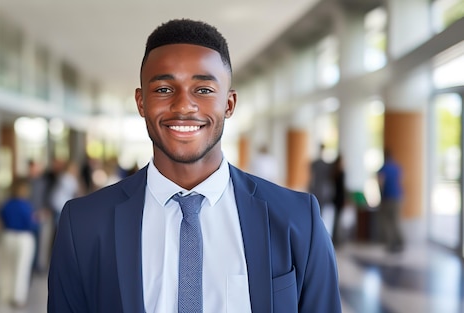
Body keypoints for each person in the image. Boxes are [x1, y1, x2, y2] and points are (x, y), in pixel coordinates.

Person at [48, 19, 341, 312]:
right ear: (141, 102)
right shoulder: (83, 225)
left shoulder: (298, 219)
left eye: (203, 90)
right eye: (164, 89)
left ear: (229, 104)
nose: (183, 106)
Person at [0, 177, 37, 308]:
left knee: (8, 267)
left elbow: (1, 219)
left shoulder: (6, 204)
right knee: (22, 268)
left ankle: (7, 294)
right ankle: (18, 297)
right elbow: (31, 223)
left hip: (8, 236)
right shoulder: (26, 205)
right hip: (23, 238)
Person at [377, 148, 404, 253]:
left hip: (388, 197)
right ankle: (399, 242)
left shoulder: (384, 168)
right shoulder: (397, 167)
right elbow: (400, 180)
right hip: (398, 197)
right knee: (396, 220)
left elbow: (380, 182)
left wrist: (381, 194)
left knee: (386, 221)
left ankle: (391, 243)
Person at [309, 143, 333, 214]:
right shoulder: (320, 164)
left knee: (317, 207)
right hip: (320, 188)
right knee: (318, 207)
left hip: (319, 188)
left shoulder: (318, 164)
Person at [331, 155, 346, 247]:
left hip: (335, 198)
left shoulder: (334, 173)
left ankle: (336, 238)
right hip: (340, 199)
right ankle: (338, 239)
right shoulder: (341, 173)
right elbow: (342, 188)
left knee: (336, 219)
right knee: (338, 220)